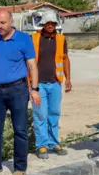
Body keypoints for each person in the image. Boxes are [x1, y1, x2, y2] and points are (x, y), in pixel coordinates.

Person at [0, 10, 41, 175]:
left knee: (20, 129)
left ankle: (20, 167)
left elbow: (32, 66)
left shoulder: (24, 39)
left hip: (18, 89)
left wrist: (34, 89)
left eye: (3, 23)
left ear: (11, 22)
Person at [28, 10, 70, 159]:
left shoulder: (61, 39)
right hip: (38, 84)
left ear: (56, 24)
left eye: (53, 23)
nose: (50, 25)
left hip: (55, 82)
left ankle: (54, 143)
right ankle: (42, 145)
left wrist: (68, 78)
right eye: (48, 23)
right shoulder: (33, 38)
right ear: (43, 24)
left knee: (54, 114)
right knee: (40, 114)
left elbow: (65, 59)